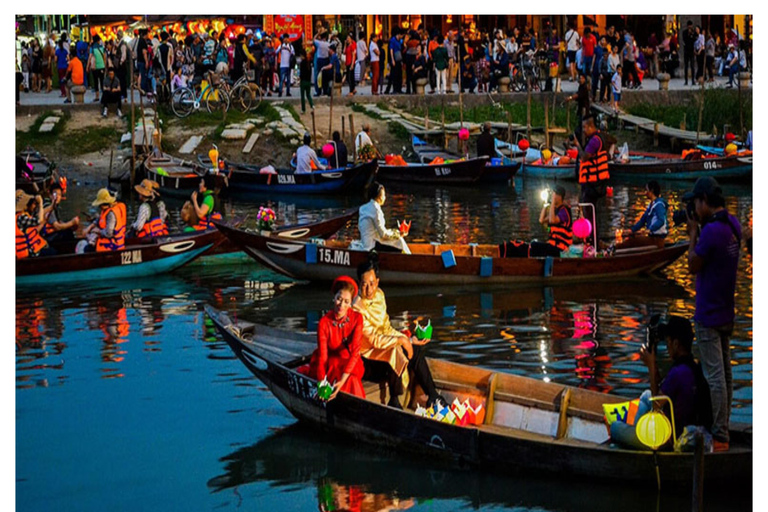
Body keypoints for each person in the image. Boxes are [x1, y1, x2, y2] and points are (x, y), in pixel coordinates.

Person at [684, 177, 741, 452]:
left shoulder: (710, 232)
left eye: (696, 201)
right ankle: (724, 429)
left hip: (708, 314)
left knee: (715, 377)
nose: (694, 206)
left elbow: (692, 264)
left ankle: (719, 435)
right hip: (726, 312)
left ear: (705, 201)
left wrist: (693, 232)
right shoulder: (733, 226)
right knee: (726, 375)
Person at [353, 258, 447, 410]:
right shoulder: (357, 307)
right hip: (368, 359)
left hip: (382, 351)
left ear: (377, 281)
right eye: (364, 284)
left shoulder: (379, 295)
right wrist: (402, 340)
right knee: (394, 349)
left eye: (372, 283)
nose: (369, 289)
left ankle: (433, 395)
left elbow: (387, 328)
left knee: (415, 350)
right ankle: (394, 399)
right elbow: (373, 340)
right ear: (359, 284)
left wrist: (409, 340)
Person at [611, 316, 712, 449]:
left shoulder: (678, 373)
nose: (667, 346)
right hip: (682, 425)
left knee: (615, 427)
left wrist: (651, 366)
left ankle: (637, 439)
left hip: (669, 439)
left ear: (676, 344)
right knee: (645, 396)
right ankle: (637, 430)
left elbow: (655, 405)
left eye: (669, 342)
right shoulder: (692, 366)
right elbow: (659, 391)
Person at [300, 276, 366, 401]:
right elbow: (323, 358)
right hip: (330, 363)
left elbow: (355, 353)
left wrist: (342, 381)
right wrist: (322, 383)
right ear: (334, 298)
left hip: (350, 362)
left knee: (351, 379)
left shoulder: (357, 318)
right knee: (342, 377)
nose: (341, 305)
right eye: (339, 299)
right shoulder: (324, 323)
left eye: (346, 301)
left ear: (351, 303)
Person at [355, 183, 410, 254]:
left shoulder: (362, 208)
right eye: (384, 195)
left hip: (365, 243)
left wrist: (395, 232)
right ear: (379, 196)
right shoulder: (376, 209)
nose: (385, 197)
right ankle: (409, 259)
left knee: (396, 239)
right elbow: (383, 235)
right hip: (371, 246)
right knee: (399, 240)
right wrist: (398, 234)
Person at [619, 180, 668, 249]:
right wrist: (632, 230)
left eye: (646, 190)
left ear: (652, 191)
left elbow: (661, 220)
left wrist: (650, 229)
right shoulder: (650, 205)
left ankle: (613, 248)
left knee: (633, 241)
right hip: (652, 238)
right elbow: (642, 221)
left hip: (657, 240)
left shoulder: (659, 205)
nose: (645, 193)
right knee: (632, 236)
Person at [528, 185, 573, 257]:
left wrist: (552, 203)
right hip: (553, 245)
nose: (552, 196)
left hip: (561, 248)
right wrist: (545, 205)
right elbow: (541, 220)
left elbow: (552, 220)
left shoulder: (564, 211)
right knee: (533, 244)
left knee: (535, 246)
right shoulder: (555, 211)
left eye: (553, 194)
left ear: (559, 196)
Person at [81, 188, 127, 253]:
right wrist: (90, 227)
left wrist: (98, 231)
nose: (99, 206)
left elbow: (109, 233)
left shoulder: (111, 214)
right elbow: (99, 219)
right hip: (109, 242)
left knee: (87, 249)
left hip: (112, 246)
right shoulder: (106, 210)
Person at [16, 190, 56, 258]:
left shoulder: (22, 216)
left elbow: (41, 214)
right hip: (32, 254)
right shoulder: (21, 218)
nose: (34, 206)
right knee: (54, 252)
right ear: (26, 206)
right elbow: (39, 220)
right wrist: (40, 204)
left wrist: (52, 206)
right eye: (33, 204)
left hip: (34, 250)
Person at [682, 20, 696, 85]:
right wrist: (688, 35)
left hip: (691, 51)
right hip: (686, 51)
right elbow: (684, 40)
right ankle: (686, 80)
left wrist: (691, 35)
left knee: (692, 66)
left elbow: (694, 40)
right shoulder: (684, 32)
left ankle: (693, 80)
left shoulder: (693, 33)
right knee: (686, 66)